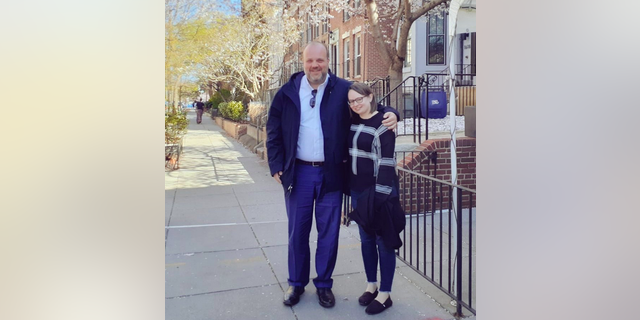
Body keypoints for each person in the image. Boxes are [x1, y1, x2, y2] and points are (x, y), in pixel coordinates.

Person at [266, 41, 399, 308]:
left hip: (331, 174)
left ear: (328, 61)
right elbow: (273, 130)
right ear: (302, 63)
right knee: (297, 232)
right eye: (310, 61)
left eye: (320, 60)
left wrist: (392, 113)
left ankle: (324, 285)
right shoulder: (288, 92)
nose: (315, 65)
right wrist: (276, 164)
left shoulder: (342, 89)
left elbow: (372, 106)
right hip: (298, 173)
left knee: (329, 233)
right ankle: (296, 283)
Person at [346, 82, 405, 315]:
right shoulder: (352, 122)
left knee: (384, 241)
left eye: (359, 99)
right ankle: (371, 285)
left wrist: (380, 198)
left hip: (380, 193)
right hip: (357, 192)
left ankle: (385, 293)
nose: (356, 104)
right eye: (351, 101)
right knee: (366, 240)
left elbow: (387, 162)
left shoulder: (383, 124)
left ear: (370, 96)